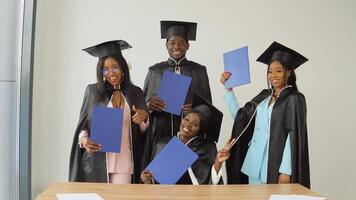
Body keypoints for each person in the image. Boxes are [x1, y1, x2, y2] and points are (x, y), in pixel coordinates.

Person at [222, 41, 310, 188]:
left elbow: (292, 137)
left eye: (278, 71)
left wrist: (286, 171)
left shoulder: (294, 99)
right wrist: (229, 90)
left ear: (289, 72)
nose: (273, 75)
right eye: (270, 71)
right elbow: (241, 118)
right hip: (253, 165)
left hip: (274, 166)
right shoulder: (264, 97)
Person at [69, 40, 149, 184]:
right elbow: (84, 125)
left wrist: (144, 118)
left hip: (124, 162)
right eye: (106, 69)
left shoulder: (135, 93)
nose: (111, 72)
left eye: (115, 67)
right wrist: (84, 140)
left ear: (123, 68)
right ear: (102, 72)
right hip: (97, 162)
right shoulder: (92, 91)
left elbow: (142, 132)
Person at [142, 20, 212, 166]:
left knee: (187, 175)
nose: (177, 47)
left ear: (188, 45)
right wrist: (150, 105)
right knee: (163, 175)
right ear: (166, 45)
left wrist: (195, 108)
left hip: (190, 132)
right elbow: (143, 105)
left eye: (181, 43)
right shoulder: (155, 71)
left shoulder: (199, 70)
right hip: (161, 130)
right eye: (172, 43)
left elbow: (208, 107)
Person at [140, 93, 233, 185]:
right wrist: (148, 180)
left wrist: (218, 162)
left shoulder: (207, 148)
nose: (188, 125)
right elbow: (154, 181)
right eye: (186, 119)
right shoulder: (163, 143)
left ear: (200, 130)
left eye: (195, 124)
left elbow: (210, 181)